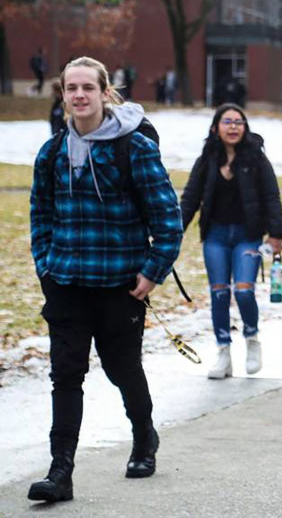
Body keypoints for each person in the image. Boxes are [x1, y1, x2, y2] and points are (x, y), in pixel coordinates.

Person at [28, 57, 183, 502]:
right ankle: (61, 471)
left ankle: (144, 436)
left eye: (87, 88)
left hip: (120, 285)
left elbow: (167, 217)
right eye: (70, 88)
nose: (79, 96)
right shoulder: (53, 152)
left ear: (105, 93)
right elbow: (40, 213)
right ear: (62, 95)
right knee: (66, 375)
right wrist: (45, 264)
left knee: (122, 369)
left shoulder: (132, 148)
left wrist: (152, 273)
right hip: (67, 283)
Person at [180, 104, 282, 379]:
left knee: (244, 291)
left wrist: (276, 235)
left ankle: (252, 340)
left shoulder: (256, 159)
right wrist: (174, 231)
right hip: (215, 236)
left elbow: (272, 197)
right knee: (219, 293)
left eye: (239, 122)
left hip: (247, 236)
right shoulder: (208, 159)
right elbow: (190, 196)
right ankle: (223, 352)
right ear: (216, 128)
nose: (234, 127)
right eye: (227, 121)